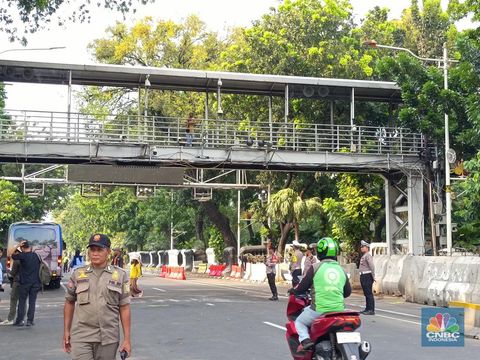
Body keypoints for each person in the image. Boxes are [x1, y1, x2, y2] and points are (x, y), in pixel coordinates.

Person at [63, 234, 131, 360]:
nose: (95, 253)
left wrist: (127, 339)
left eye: (100, 250)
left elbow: (124, 307)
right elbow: (69, 302)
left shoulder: (120, 275)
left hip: (108, 337)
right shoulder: (78, 274)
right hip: (82, 336)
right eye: (92, 250)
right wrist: (66, 331)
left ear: (108, 252)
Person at [292, 237, 351, 352]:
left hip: (319, 310)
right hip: (339, 311)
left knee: (299, 322)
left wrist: (294, 290)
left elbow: (302, 287)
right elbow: (347, 293)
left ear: (320, 252)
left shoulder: (315, 267)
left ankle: (306, 340)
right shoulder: (341, 270)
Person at [11, 240, 41, 326]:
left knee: (22, 301)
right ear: (29, 247)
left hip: (24, 283)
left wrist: (17, 246)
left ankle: (19, 320)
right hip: (35, 283)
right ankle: (30, 321)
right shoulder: (36, 256)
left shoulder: (22, 256)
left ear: (22, 248)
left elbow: (12, 255)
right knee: (32, 302)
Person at [0, 249, 21, 325]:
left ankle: (10, 319)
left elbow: (12, 273)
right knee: (23, 301)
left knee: (13, 300)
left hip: (17, 282)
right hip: (25, 283)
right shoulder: (26, 260)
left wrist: (9, 274)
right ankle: (21, 318)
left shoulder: (17, 261)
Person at [359, 240, 375, 315]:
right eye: (361, 246)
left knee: (368, 293)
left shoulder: (368, 255)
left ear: (367, 248)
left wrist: (373, 276)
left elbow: (372, 266)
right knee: (366, 293)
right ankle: (367, 308)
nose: (361, 248)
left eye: (363, 247)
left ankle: (371, 309)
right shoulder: (364, 255)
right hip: (363, 275)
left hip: (367, 275)